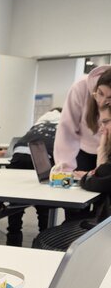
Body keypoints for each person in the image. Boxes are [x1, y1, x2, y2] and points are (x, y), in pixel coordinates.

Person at [33, 103, 111, 250]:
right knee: (65, 225)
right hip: (104, 222)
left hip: (105, 230)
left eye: (106, 122)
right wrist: (92, 175)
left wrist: (101, 154)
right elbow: (99, 177)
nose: (101, 129)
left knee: (43, 240)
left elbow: (93, 182)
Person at [5, 108, 61, 246]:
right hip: (42, 154)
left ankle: (13, 240)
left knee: (16, 202)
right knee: (44, 203)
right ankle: (44, 241)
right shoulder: (62, 122)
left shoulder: (40, 122)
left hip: (19, 152)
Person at [53, 65, 111, 172]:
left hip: (108, 150)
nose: (102, 102)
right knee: (82, 179)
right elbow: (66, 129)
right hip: (85, 151)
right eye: (100, 93)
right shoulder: (81, 87)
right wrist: (64, 168)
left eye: (109, 98)